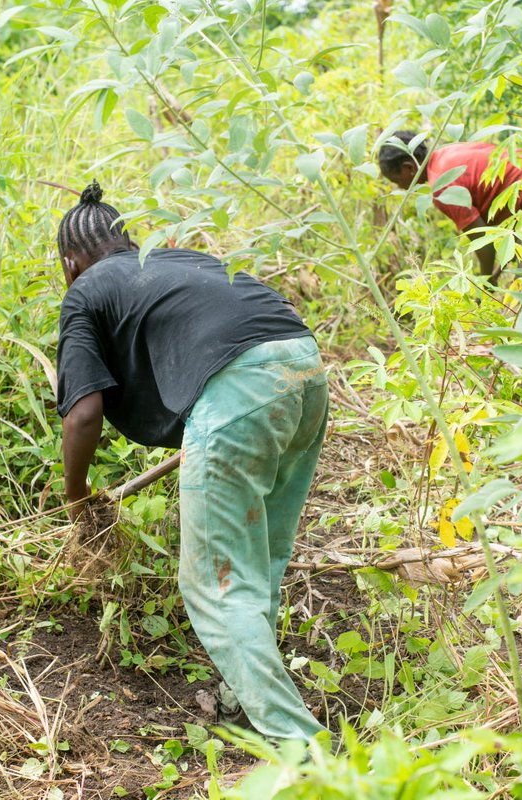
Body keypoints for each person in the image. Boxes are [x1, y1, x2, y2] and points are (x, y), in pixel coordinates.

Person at [54, 181, 330, 743]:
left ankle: (301, 752)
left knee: (213, 583)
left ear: (69, 262)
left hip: (239, 393)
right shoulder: (178, 259)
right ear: (128, 238)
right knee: (260, 559)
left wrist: (75, 495)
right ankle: (239, 702)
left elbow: (83, 414)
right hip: (305, 373)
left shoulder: (85, 290)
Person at [378, 133, 522, 281]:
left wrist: (486, 281)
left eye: (397, 181)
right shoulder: (448, 153)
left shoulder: (441, 185)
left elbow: (483, 243)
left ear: (408, 167)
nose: (401, 188)